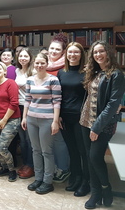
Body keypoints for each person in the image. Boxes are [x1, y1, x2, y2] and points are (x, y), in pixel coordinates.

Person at [80, 41, 125, 209]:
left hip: (102, 124)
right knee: (90, 158)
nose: (98, 55)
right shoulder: (96, 72)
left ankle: (106, 188)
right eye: (95, 52)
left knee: (95, 157)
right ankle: (95, 192)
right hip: (85, 121)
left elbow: (113, 104)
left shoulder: (116, 74)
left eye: (101, 51)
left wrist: (96, 127)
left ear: (108, 53)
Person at [21, 52, 62, 195]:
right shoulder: (30, 80)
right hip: (32, 119)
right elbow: (27, 99)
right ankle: (38, 178)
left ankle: (47, 181)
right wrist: (24, 117)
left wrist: (55, 121)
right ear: (34, 64)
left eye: (42, 63)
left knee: (46, 151)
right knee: (35, 150)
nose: (39, 65)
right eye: (37, 63)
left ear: (47, 64)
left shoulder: (53, 80)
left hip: (47, 120)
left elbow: (57, 102)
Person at [57, 42, 90, 197]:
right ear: (66, 54)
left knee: (83, 150)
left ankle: (86, 181)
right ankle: (76, 177)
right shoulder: (61, 73)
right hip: (65, 118)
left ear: (81, 55)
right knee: (72, 150)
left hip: (81, 119)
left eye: (76, 52)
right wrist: (59, 116)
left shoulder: (87, 72)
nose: (73, 55)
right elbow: (59, 96)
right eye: (70, 52)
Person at [0, 61, 21, 182]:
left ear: (4, 71)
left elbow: (14, 103)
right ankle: (4, 167)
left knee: (2, 147)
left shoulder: (10, 83)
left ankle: (12, 170)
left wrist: (4, 120)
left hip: (11, 119)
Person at [46, 33, 71, 183]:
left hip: (57, 111)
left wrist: (58, 115)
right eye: (52, 48)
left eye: (57, 49)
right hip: (43, 109)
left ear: (63, 52)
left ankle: (63, 168)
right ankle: (54, 166)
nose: (54, 51)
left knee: (59, 141)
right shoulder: (43, 64)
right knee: (49, 141)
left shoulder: (65, 67)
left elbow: (64, 93)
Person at [15, 47, 35, 179]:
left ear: (30, 58)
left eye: (25, 56)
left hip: (29, 107)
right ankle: (25, 163)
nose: (23, 58)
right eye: (21, 56)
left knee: (29, 139)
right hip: (18, 107)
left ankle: (31, 165)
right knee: (22, 139)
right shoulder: (16, 70)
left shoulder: (32, 72)